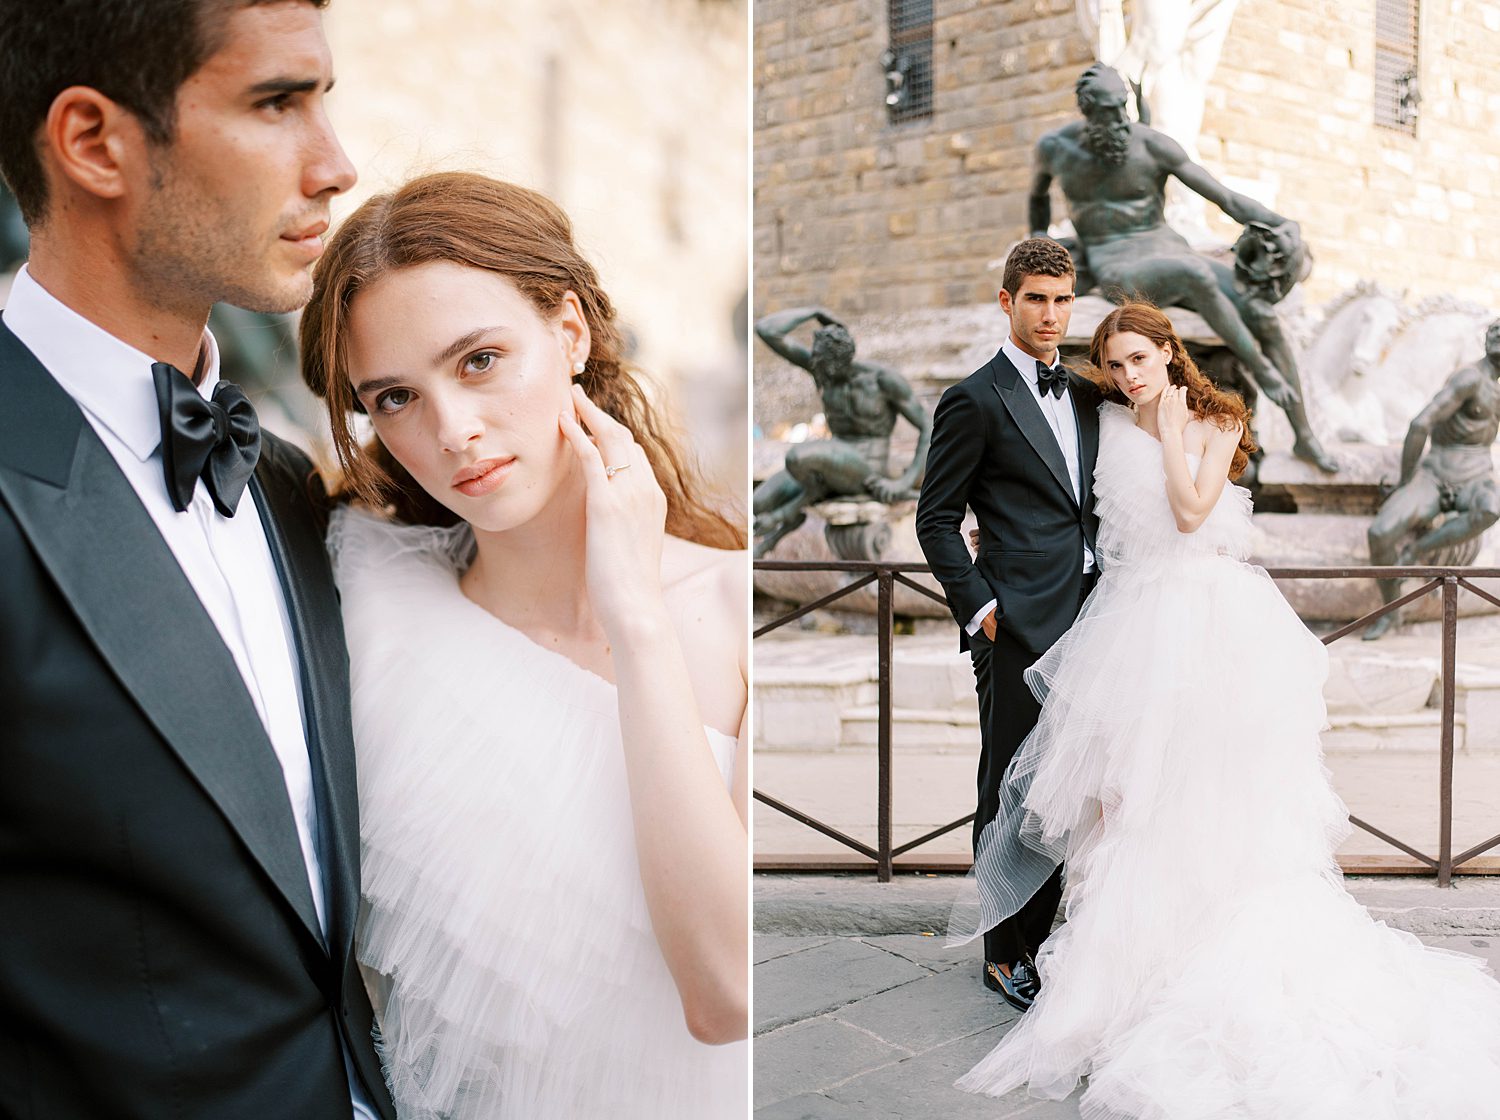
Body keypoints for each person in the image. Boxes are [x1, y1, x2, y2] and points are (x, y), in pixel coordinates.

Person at [949, 302, 1500, 1116]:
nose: (1130, 374)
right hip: (1122, 621)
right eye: (1118, 362)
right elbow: (1061, 496)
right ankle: (1118, 966)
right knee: (1119, 802)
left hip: (1198, 625)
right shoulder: (1100, 419)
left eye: (1142, 357)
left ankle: (1204, 958)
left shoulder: (1214, 420)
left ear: (1170, 355)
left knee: (1204, 796)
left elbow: (1189, 512)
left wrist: (1168, 427)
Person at [0, 3, 397, 1118]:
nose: (336, 165)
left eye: (326, 99)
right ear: (93, 142)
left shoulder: (284, 480)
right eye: (278, 103)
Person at [298, 171, 750, 1119]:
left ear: (570, 332)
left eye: (478, 361)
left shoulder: (729, 612)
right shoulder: (370, 605)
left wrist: (634, 617)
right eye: (392, 398)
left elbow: (728, 992)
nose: (452, 431)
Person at [915, 237, 1102, 1012]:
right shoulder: (975, 398)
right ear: (1007, 302)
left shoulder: (1090, 393)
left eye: (1062, 300)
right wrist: (984, 608)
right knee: (1007, 788)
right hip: (1018, 628)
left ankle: (1047, 933)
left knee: (1068, 786)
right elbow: (934, 519)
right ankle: (1003, 952)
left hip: (1097, 624)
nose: (1051, 315)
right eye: (1036, 299)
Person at [1032, 63, 1338, 472]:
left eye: (1122, 109)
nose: (1119, 121)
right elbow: (1036, 196)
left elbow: (1225, 199)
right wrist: (1039, 245)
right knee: (1192, 276)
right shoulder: (1055, 148)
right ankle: (1263, 372)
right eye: (1107, 112)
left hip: (1169, 249)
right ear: (1086, 111)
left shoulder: (1153, 145)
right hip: (1117, 262)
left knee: (1262, 313)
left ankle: (1304, 435)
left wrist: (1278, 223)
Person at [752, 307, 931, 556]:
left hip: (866, 467)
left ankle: (788, 513)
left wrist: (904, 481)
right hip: (831, 461)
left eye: (821, 363)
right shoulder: (823, 371)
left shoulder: (881, 380)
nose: (815, 367)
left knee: (797, 457)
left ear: (839, 361)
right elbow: (766, 330)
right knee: (755, 504)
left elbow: (928, 426)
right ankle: (791, 515)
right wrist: (814, 312)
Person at [1364, 318, 1500, 639]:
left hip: (1477, 475)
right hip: (1436, 473)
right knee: (1380, 532)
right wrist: (1404, 481)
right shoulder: (1470, 378)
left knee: (1492, 508)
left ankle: (1415, 551)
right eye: (1496, 332)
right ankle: (1389, 611)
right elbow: (1419, 424)